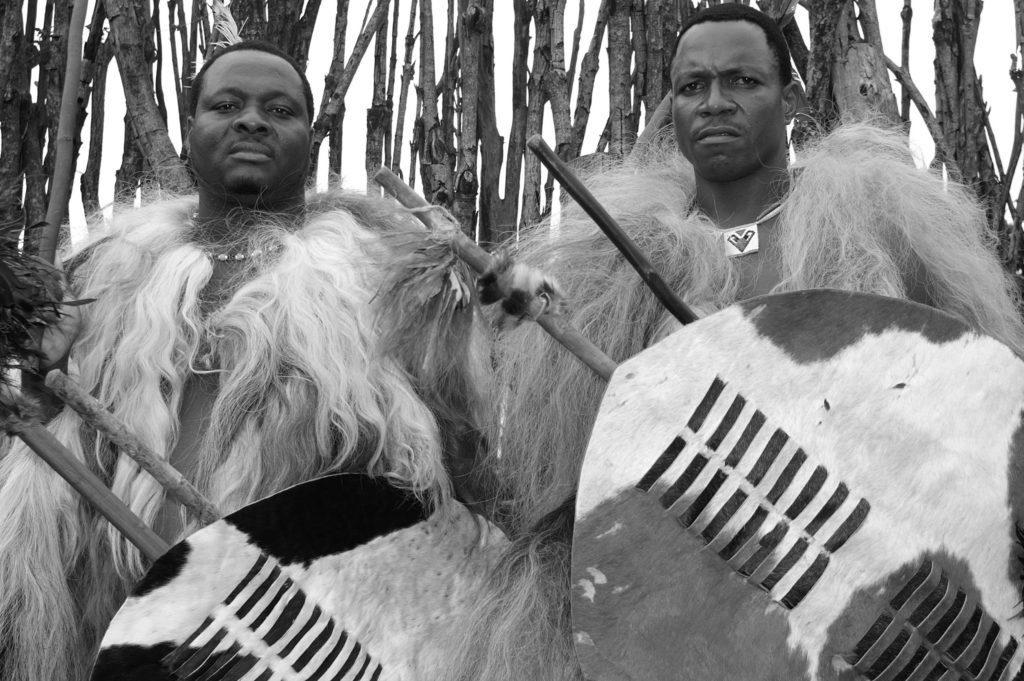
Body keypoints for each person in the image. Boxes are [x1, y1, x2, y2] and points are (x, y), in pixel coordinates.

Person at [447, 5, 1024, 680]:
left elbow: (985, 405)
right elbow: (585, 484)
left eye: (743, 80)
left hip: (888, 597)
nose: (714, 103)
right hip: (693, 619)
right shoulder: (606, 262)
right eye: (692, 87)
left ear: (789, 98)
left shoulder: (881, 217)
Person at [0, 41, 488, 681]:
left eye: (279, 109)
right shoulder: (103, 277)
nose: (252, 120)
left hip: (315, 628)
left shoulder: (386, 275)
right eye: (226, 105)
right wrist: (39, 383)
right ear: (191, 129)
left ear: (308, 138)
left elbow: (458, 459)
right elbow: (46, 456)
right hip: (125, 619)